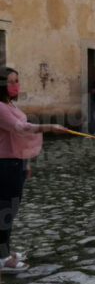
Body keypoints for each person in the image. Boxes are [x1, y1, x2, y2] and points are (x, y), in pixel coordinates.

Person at [0, 67, 67, 273]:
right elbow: (20, 128)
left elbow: (22, 133)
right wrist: (50, 127)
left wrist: (26, 163)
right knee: (5, 211)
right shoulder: (0, 107)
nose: (15, 85)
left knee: (11, 210)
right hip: (4, 165)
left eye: (17, 80)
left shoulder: (10, 105)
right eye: (10, 81)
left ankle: (4, 250)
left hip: (16, 163)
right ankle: (2, 259)